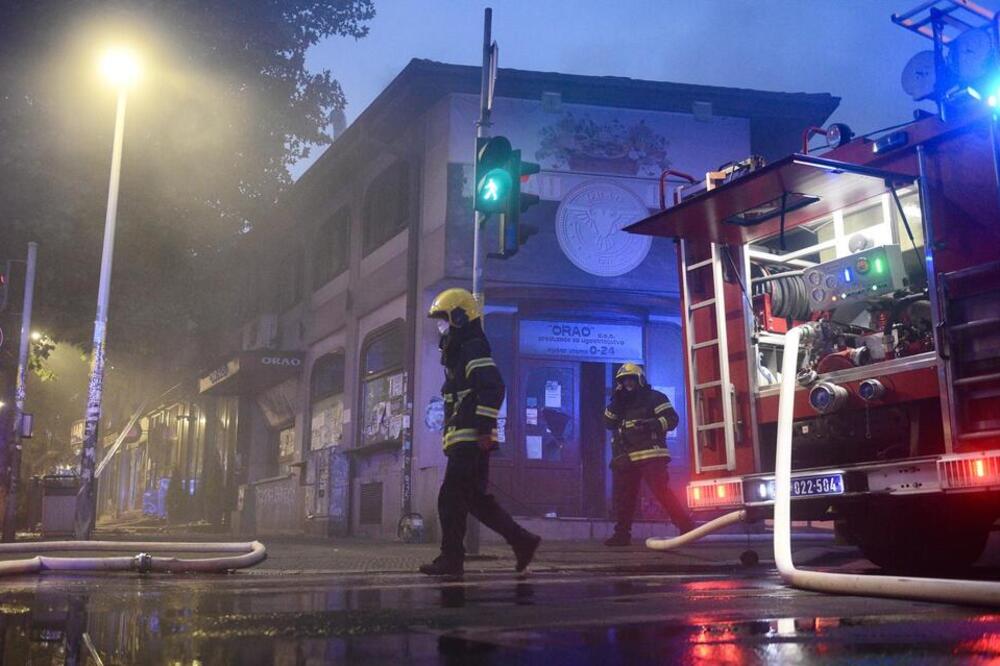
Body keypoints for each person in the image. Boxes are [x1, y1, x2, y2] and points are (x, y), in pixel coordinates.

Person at [419, 288, 542, 576]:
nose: (441, 326)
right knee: (473, 499)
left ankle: (451, 559)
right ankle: (522, 541)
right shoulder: (459, 350)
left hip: (471, 437)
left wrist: (484, 429)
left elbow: (493, 387)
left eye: (444, 319)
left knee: (450, 497)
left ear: (460, 317)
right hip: (465, 436)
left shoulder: (472, 346)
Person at [603, 362, 694, 546]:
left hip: (651, 455)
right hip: (627, 457)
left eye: (631, 379)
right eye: (624, 380)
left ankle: (686, 528)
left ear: (640, 379)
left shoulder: (655, 397)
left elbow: (672, 419)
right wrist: (616, 401)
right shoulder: (619, 402)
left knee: (661, 492)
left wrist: (652, 423)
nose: (628, 383)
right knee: (625, 497)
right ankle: (622, 535)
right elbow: (608, 423)